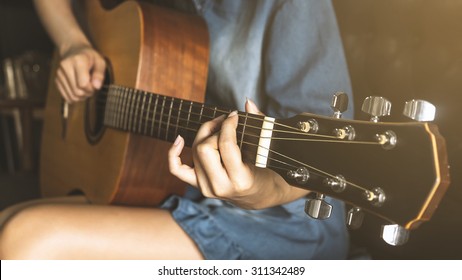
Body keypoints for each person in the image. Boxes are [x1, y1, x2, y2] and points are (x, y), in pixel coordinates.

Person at [0, 0, 354, 259]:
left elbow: (323, 157)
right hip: (172, 188)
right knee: (7, 224)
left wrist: (255, 191)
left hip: (279, 222)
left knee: (24, 239)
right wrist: (72, 42)